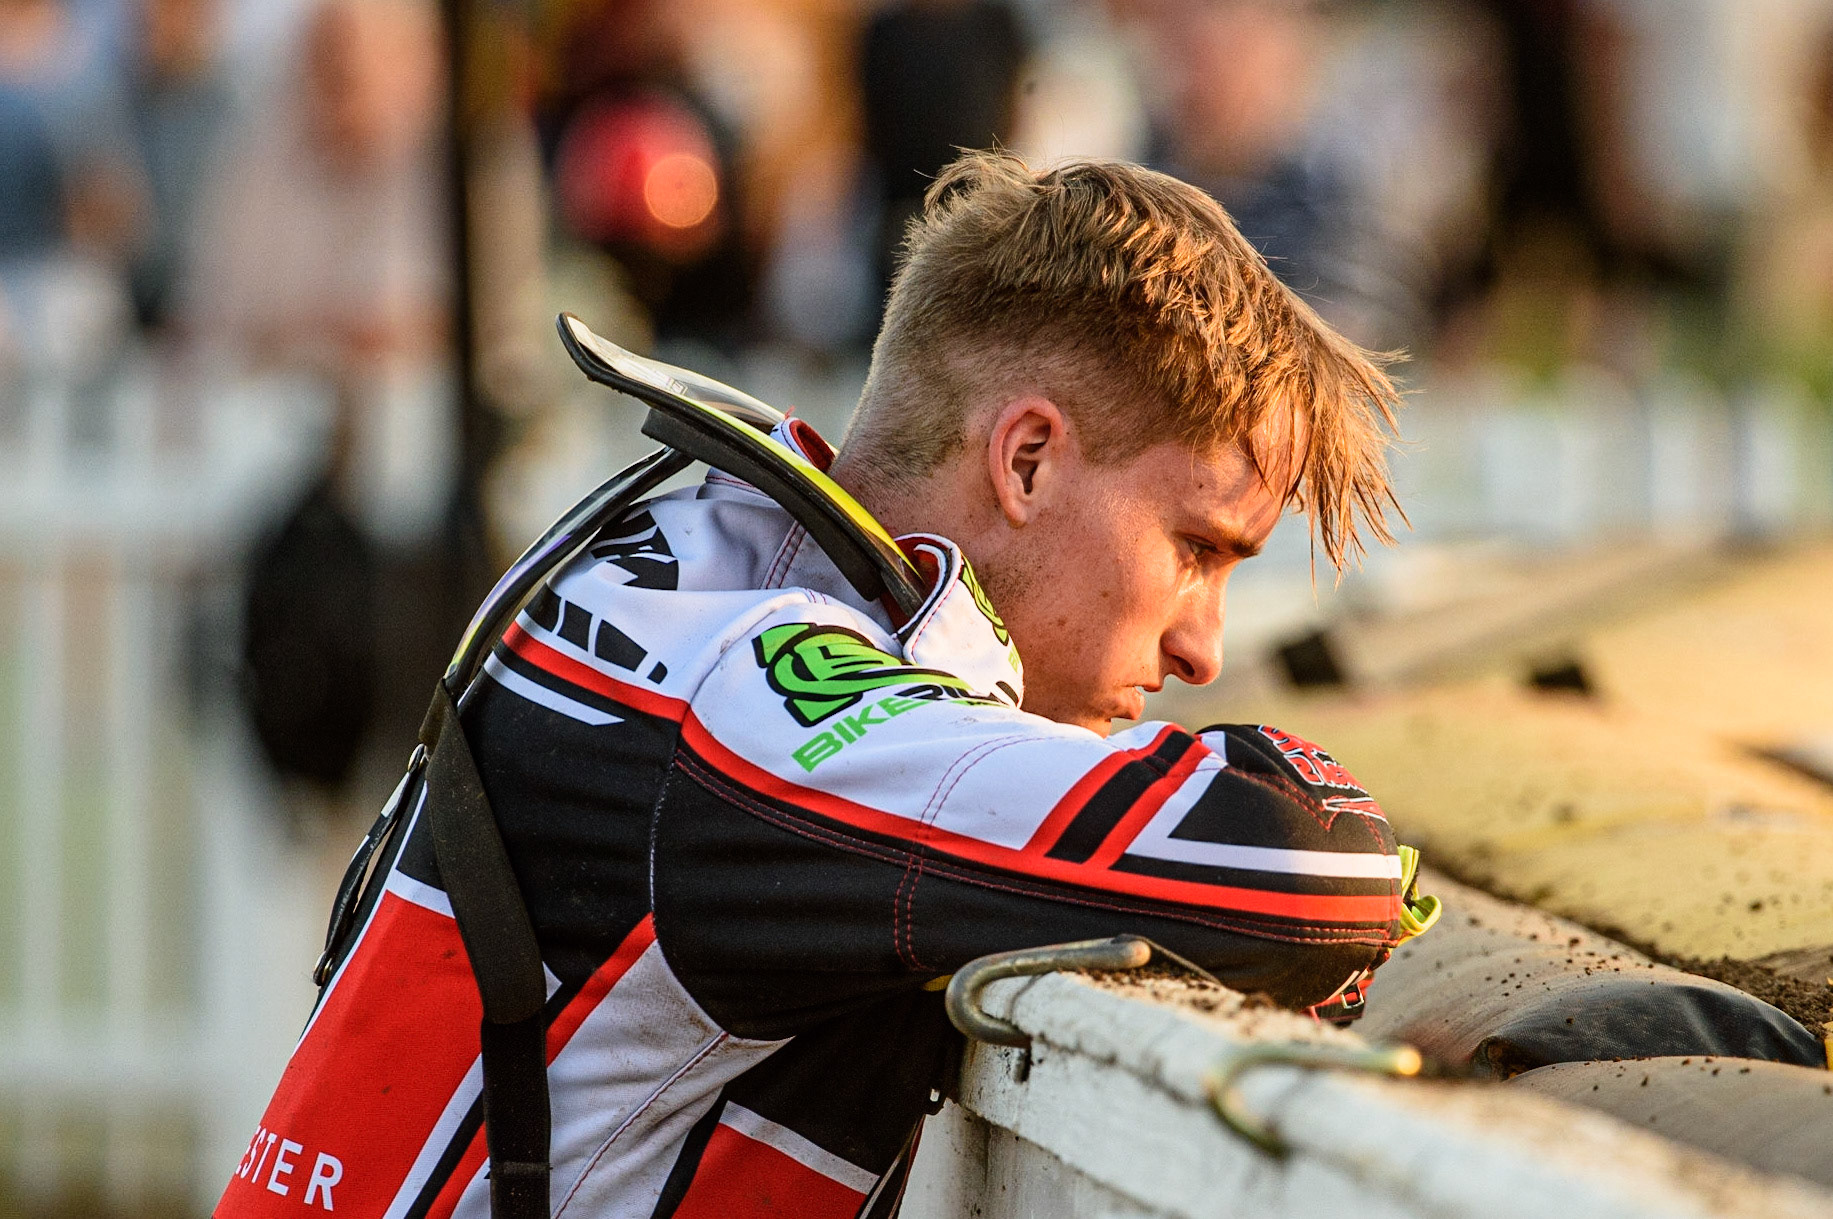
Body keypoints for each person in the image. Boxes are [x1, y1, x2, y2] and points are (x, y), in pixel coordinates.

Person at [217, 152, 1414, 1218]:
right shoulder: (748, 694)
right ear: (1027, 459)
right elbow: (1311, 863)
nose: (1205, 645)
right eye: (1197, 549)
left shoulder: (696, 577)